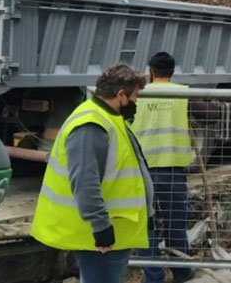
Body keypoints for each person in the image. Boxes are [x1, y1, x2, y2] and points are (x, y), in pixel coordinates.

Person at [31, 64, 152, 283]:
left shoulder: (108, 119)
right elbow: (85, 183)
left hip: (114, 231)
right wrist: (101, 227)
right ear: (121, 94)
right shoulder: (91, 125)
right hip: (102, 236)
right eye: (135, 96)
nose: (136, 102)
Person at [133, 52, 196, 283]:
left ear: (150, 71)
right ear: (173, 72)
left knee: (147, 226)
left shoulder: (137, 94)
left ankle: (153, 277)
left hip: (143, 171)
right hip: (172, 172)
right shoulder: (184, 93)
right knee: (175, 224)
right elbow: (208, 115)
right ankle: (181, 272)